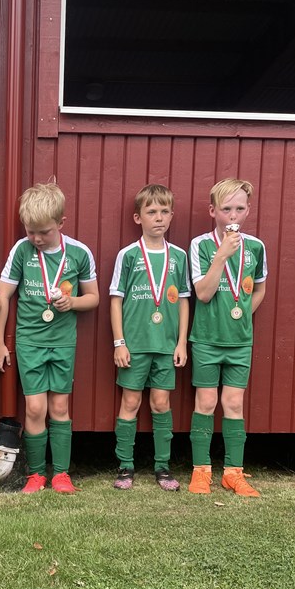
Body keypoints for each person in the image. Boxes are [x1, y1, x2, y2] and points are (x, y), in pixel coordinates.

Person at [0, 182, 99, 493]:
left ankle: (61, 474)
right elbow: (3, 296)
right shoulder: (21, 250)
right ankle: (36, 474)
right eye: (31, 232)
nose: (37, 239)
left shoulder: (79, 253)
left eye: (44, 232)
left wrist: (73, 302)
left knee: (60, 408)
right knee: (35, 409)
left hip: (63, 342)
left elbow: (93, 298)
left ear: (61, 223)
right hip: (29, 342)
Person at [188, 178, 267, 496]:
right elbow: (203, 294)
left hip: (239, 340)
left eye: (239, 208)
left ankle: (233, 473)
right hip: (206, 338)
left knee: (234, 403)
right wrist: (221, 256)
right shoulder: (200, 245)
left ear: (248, 210)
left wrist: (243, 313)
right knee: (206, 402)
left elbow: (259, 289)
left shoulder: (256, 247)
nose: (233, 215)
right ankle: (201, 471)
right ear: (213, 211)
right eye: (226, 209)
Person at [109, 184, 190, 490]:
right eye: (152, 211)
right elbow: (116, 299)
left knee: (160, 402)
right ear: (138, 217)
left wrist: (181, 343)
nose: (159, 218)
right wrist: (119, 342)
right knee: (130, 402)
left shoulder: (179, 256)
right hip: (134, 344)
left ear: (172, 215)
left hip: (166, 345)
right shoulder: (128, 255)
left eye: (164, 211)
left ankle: (162, 467)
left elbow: (184, 301)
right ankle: (125, 466)